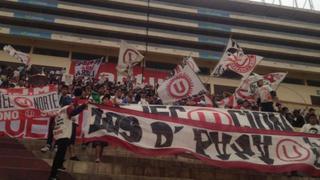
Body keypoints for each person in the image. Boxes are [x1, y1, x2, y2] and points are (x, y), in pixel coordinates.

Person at [49, 100, 87, 180]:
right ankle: (53, 176)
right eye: (72, 105)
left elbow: (52, 124)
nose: (73, 106)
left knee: (60, 154)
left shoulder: (59, 111)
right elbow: (73, 112)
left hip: (58, 134)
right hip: (64, 135)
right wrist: (83, 106)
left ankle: (57, 170)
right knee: (59, 155)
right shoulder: (67, 108)